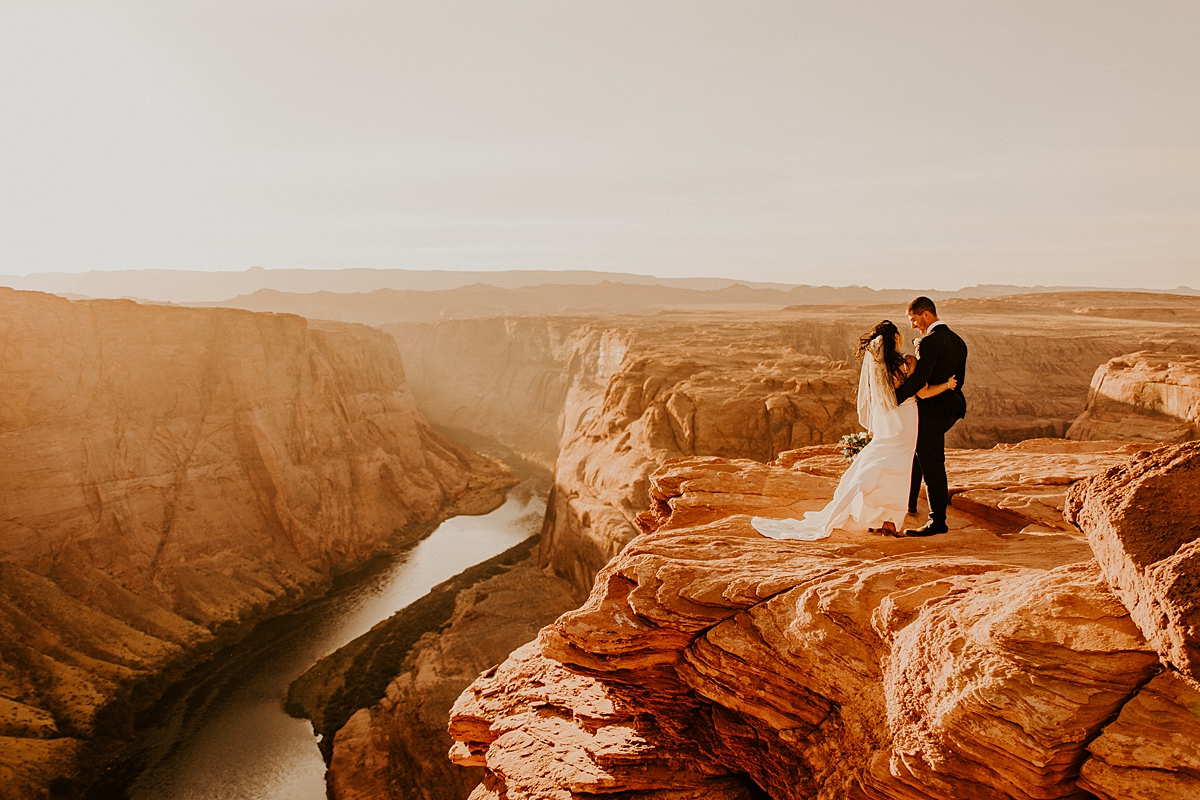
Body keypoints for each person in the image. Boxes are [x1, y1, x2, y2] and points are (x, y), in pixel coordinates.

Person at [751, 320, 957, 541]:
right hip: (906, 420)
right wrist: (948, 385)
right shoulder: (909, 362)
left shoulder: (880, 369)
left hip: (888, 421)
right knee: (900, 468)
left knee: (881, 463)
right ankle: (889, 520)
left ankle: (877, 518)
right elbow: (923, 392)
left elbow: (881, 400)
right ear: (895, 337)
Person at [896, 296, 968, 536]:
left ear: (926, 314)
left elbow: (919, 379)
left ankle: (938, 522)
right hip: (951, 407)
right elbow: (959, 381)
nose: (913, 325)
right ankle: (911, 503)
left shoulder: (930, 342)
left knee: (932, 463)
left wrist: (894, 398)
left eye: (913, 319)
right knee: (919, 451)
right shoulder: (958, 341)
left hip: (932, 410)